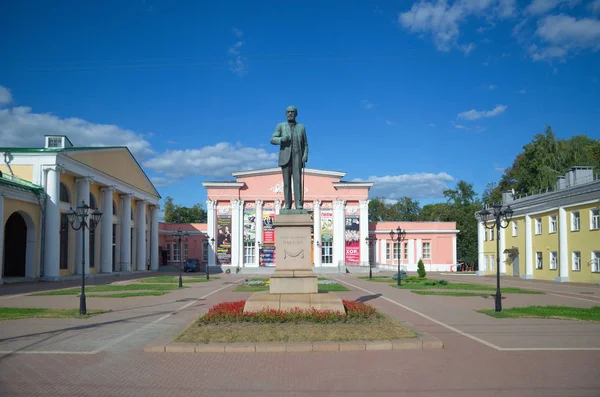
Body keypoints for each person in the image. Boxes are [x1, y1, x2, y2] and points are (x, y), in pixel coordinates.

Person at [270, 106, 309, 210]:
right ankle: (287, 204)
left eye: (292, 112)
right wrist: (282, 139)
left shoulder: (301, 127)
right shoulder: (280, 126)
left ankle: (298, 204)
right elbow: (272, 139)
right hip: (285, 157)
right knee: (286, 183)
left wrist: (305, 155)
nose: (290, 113)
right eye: (288, 112)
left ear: (296, 114)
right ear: (285, 114)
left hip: (297, 156)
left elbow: (305, 144)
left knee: (297, 182)